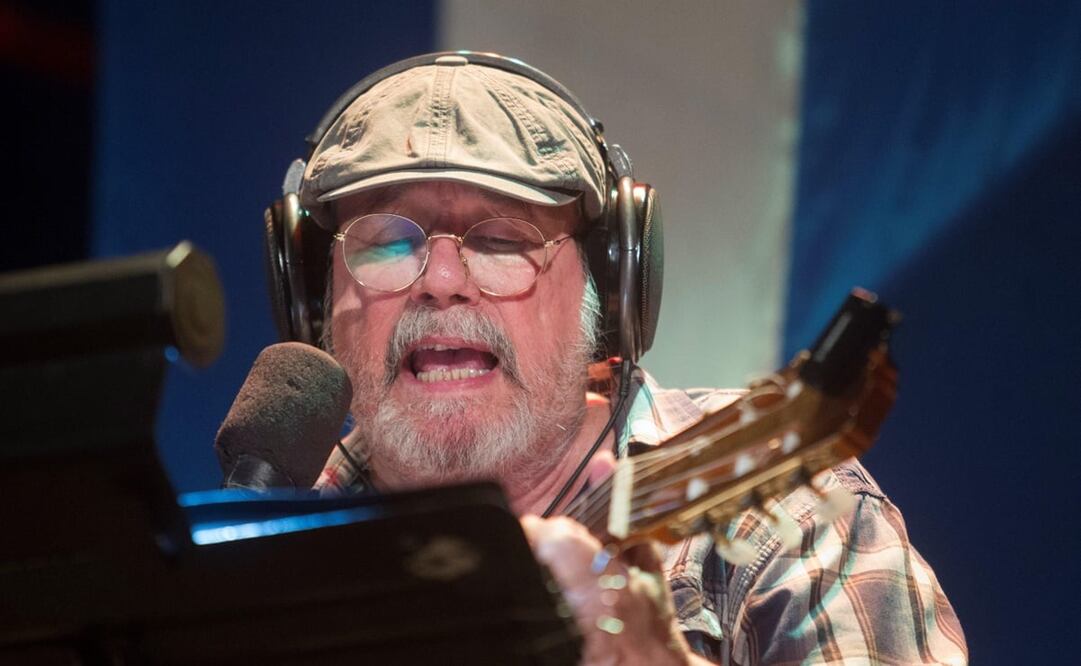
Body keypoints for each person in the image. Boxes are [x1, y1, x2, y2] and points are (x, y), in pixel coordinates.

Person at [292, 53, 967, 665]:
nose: (441, 279)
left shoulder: (780, 521)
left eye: (501, 238)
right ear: (314, 302)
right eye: (384, 242)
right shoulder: (280, 532)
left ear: (609, 293)